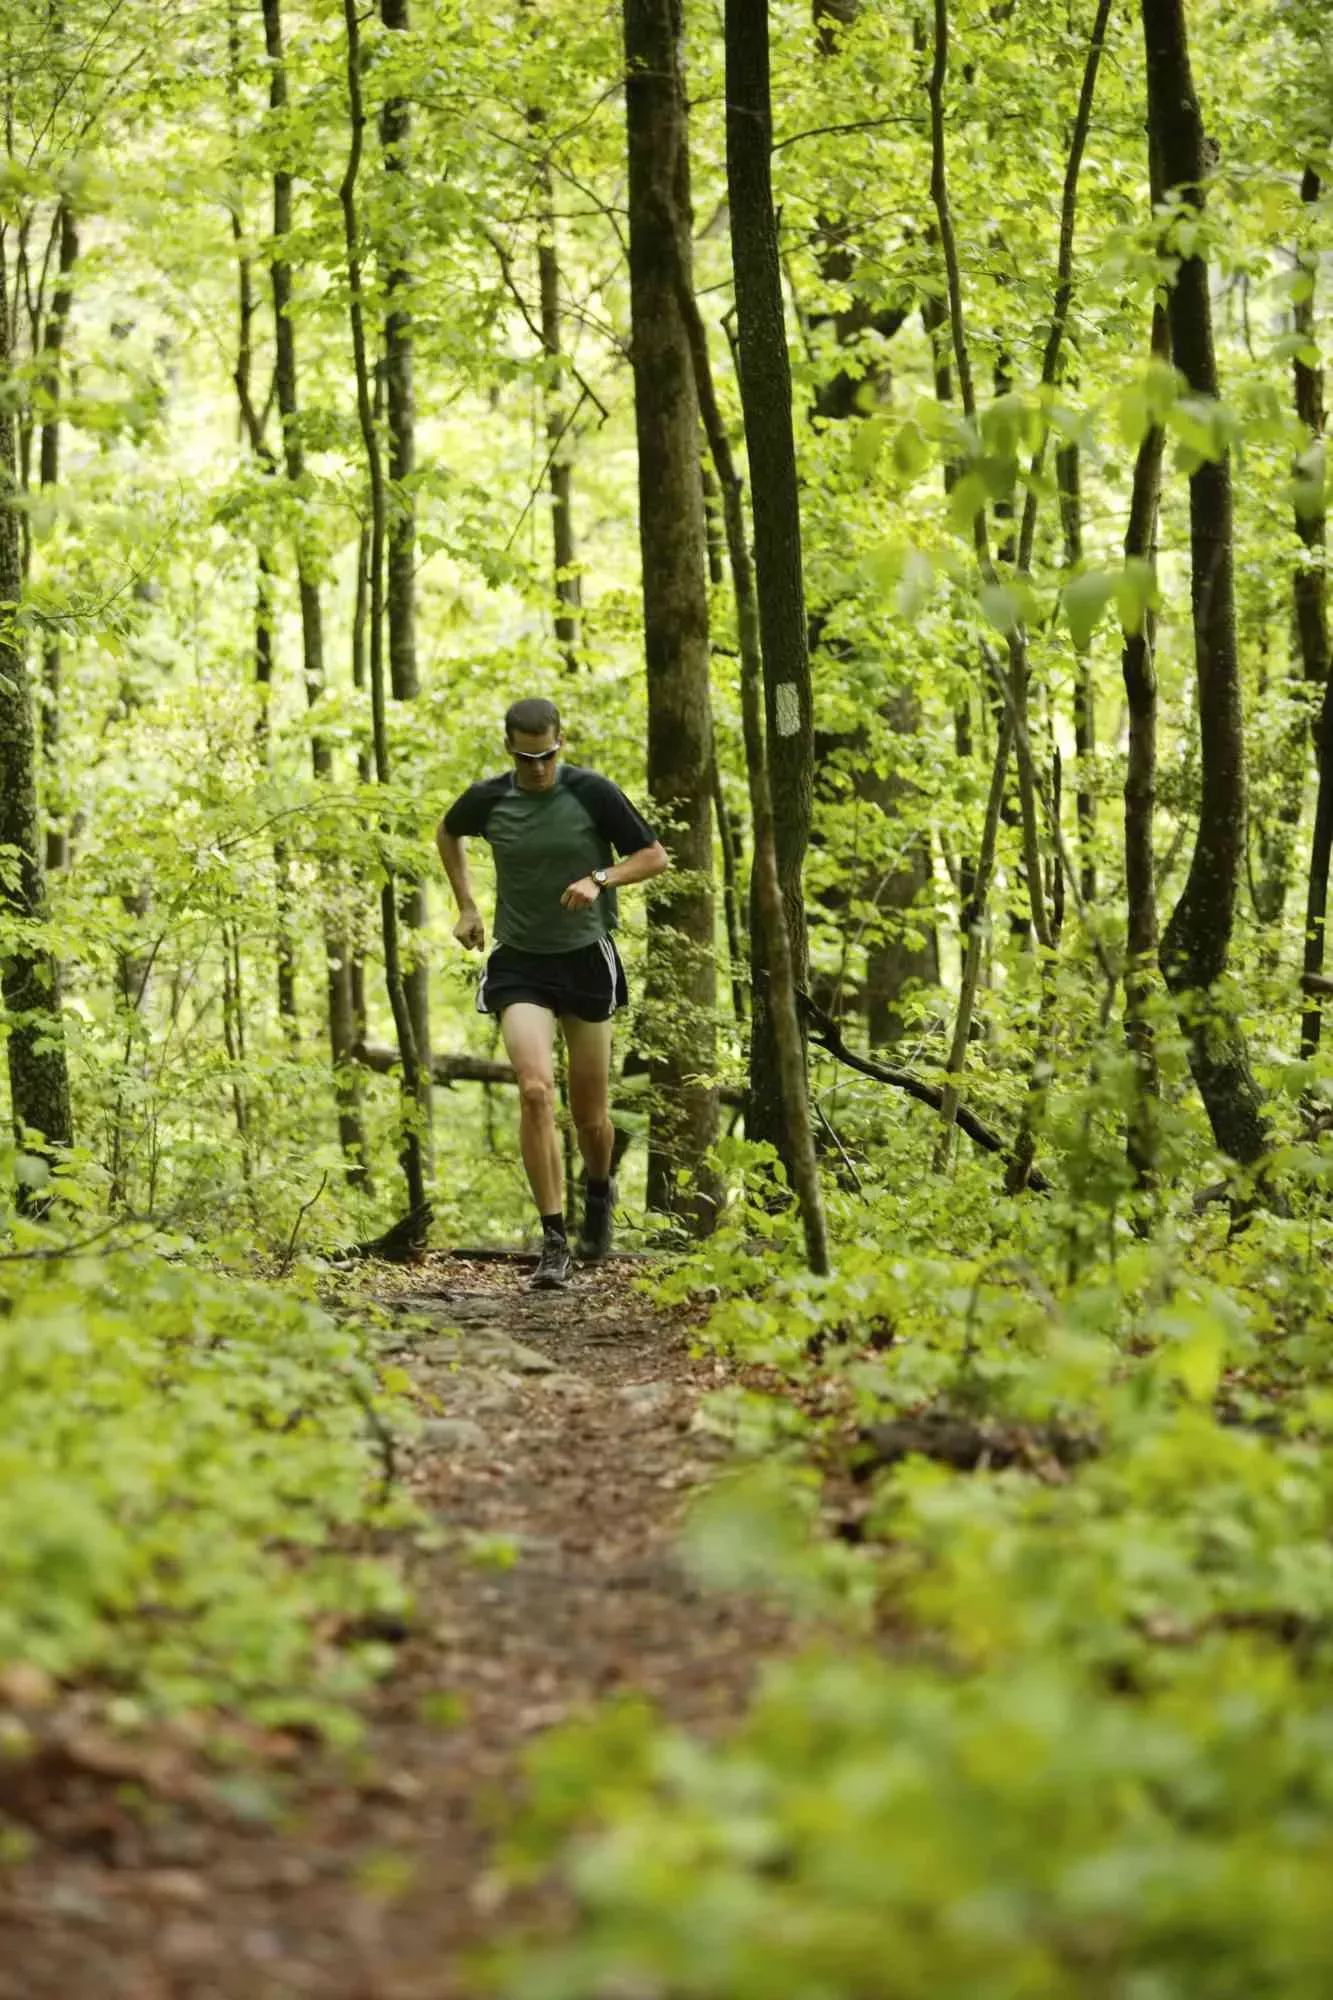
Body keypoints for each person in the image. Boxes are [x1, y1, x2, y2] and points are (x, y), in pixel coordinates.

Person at [436, 696, 668, 1289]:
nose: (538, 767)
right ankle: (554, 1240)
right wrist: (466, 905)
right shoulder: (490, 799)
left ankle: (599, 1191)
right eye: (525, 756)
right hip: (520, 962)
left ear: (560, 743)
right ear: (509, 748)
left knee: (591, 1116)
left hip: (587, 959)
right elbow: (448, 830)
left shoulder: (592, 793)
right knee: (536, 1091)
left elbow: (653, 856)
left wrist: (600, 878)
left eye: (547, 755)